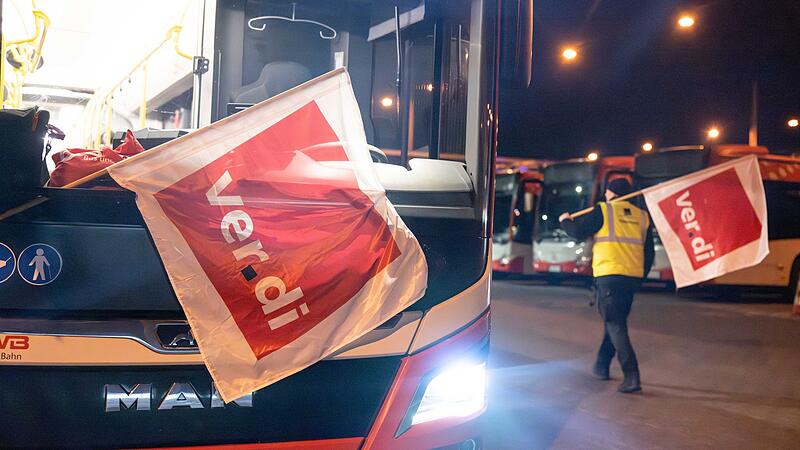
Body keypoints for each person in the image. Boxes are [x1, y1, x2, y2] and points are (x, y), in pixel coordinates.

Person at [558, 178, 654, 393]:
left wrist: (564, 220)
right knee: (614, 321)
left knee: (615, 323)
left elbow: (577, 231)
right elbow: (649, 253)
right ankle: (601, 365)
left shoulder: (604, 210)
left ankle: (632, 376)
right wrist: (640, 277)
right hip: (631, 278)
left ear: (610, 193)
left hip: (609, 275)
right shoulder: (642, 217)